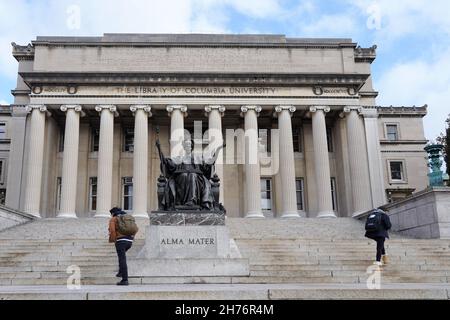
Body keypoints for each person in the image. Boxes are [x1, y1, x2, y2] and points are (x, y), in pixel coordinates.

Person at [108, 207, 134, 286]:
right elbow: (135, 228)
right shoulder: (127, 218)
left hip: (120, 241)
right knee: (122, 257)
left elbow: (112, 230)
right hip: (129, 241)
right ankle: (120, 272)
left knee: (122, 259)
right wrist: (131, 238)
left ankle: (124, 279)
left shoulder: (113, 219)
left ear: (113, 213)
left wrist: (113, 239)